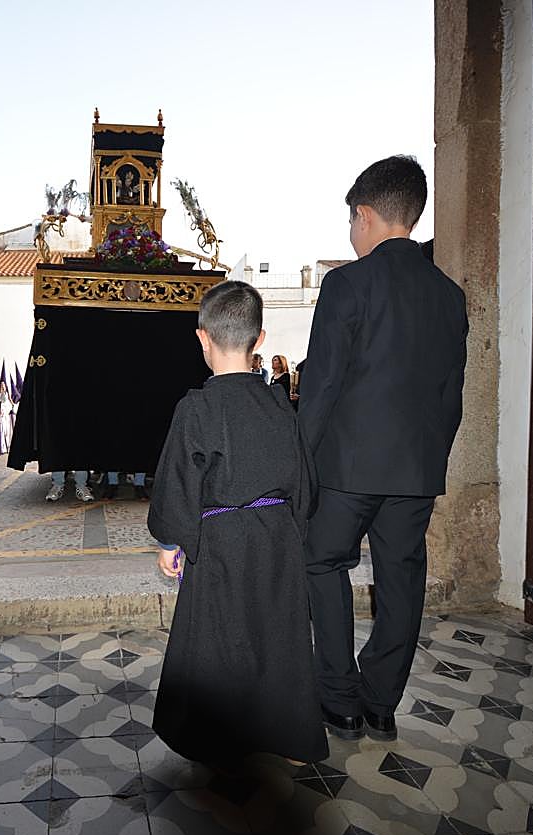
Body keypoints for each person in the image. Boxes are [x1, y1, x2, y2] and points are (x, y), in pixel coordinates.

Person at [298, 155, 467, 743]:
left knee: (322, 563)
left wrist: (302, 463)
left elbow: (321, 385)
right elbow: (452, 396)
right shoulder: (449, 295)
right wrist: (429, 460)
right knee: (401, 578)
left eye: (351, 222)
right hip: (416, 470)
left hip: (346, 467)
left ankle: (338, 698)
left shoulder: (346, 283)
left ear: (365, 215)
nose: (350, 234)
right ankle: (380, 703)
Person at [149, 280, 326, 766]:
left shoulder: (197, 408)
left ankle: (216, 738)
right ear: (260, 339)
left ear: (202, 338)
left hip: (220, 541)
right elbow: (303, 481)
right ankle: (292, 740)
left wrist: (170, 541)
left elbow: (178, 479)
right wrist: (294, 531)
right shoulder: (281, 405)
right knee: (281, 636)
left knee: (218, 637)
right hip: (277, 540)